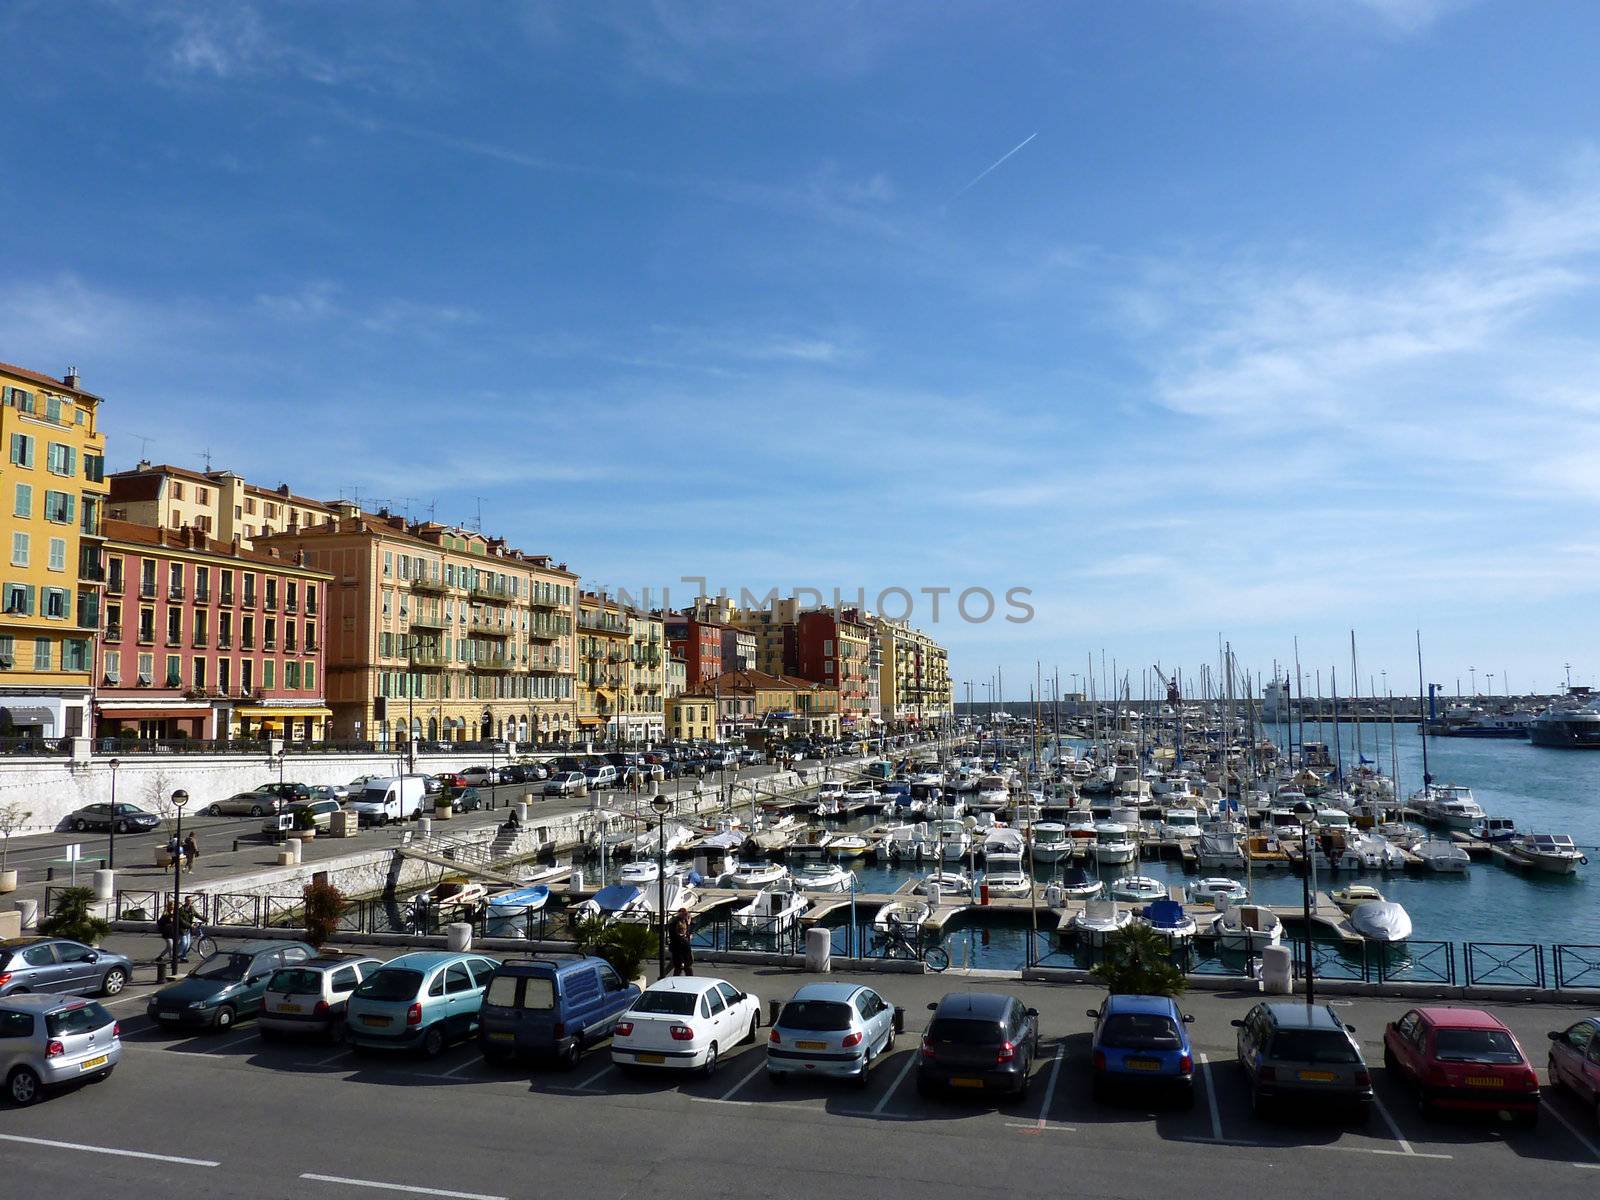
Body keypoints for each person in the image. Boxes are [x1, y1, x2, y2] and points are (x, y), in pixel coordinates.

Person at [667, 907, 694, 977]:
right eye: (685, 915)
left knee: (679, 966)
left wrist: (688, 925)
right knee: (682, 967)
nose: (687, 916)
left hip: (679, 947)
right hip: (680, 947)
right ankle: (663, 976)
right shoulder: (677, 922)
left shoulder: (681, 921)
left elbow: (686, 933)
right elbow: (681, 934)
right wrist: (688, 926)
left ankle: (663, 976)